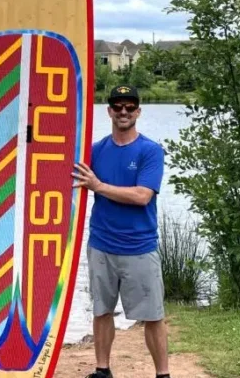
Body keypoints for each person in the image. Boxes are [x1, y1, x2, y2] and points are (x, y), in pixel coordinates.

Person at [72, 85, 170, 378]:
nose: (123, 112)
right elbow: (63, 174)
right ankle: (102, 370)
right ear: (109, 111)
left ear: (138, 111)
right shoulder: (95, 150)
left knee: (153, 316)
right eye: (118, 107)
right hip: (101, 243)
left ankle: (163, 374)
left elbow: (142, 196)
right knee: (101, 311)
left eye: (130, 107)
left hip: (139, 247)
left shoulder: (150, 151)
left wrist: (99, 187)